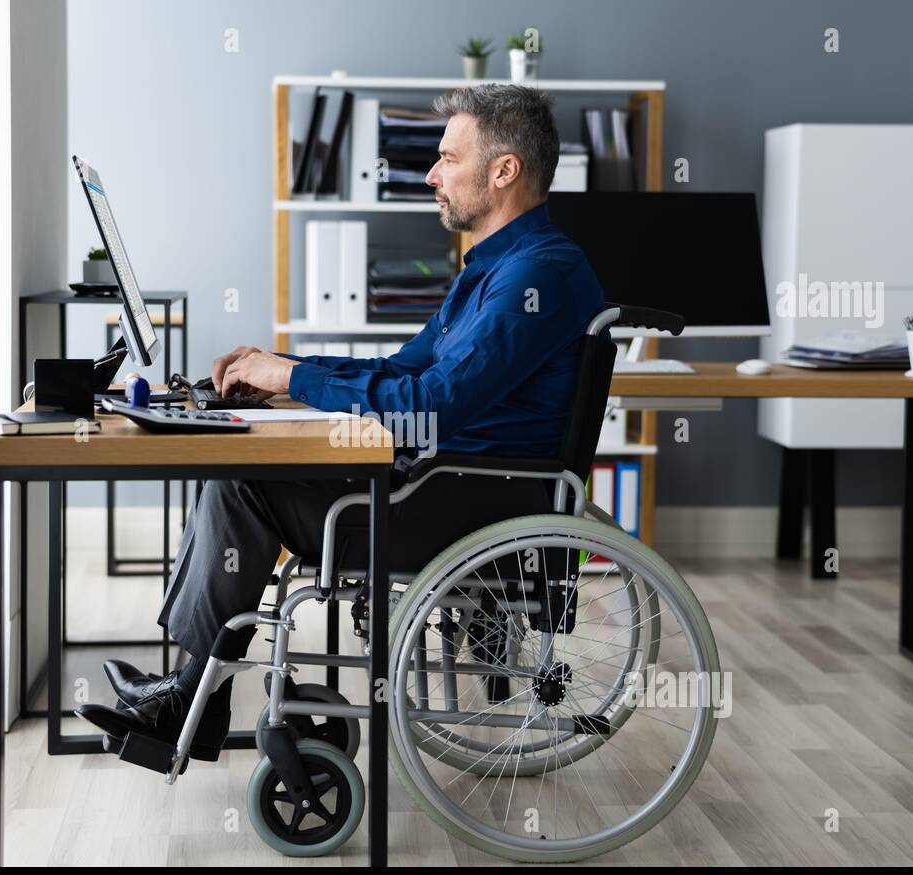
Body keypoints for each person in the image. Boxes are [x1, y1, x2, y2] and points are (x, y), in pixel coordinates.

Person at [76, 84, 605, 758]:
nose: (431, 174)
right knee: (245, 471)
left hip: (471, 506)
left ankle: (190, 700)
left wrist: (292, 378)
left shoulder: (539, 277)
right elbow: (406, 369)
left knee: (242, 481)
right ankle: (192, 694)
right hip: (449, 487)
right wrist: (281, 365)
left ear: (503, 172)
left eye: (448, 158)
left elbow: (430, 407)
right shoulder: (499, 270)